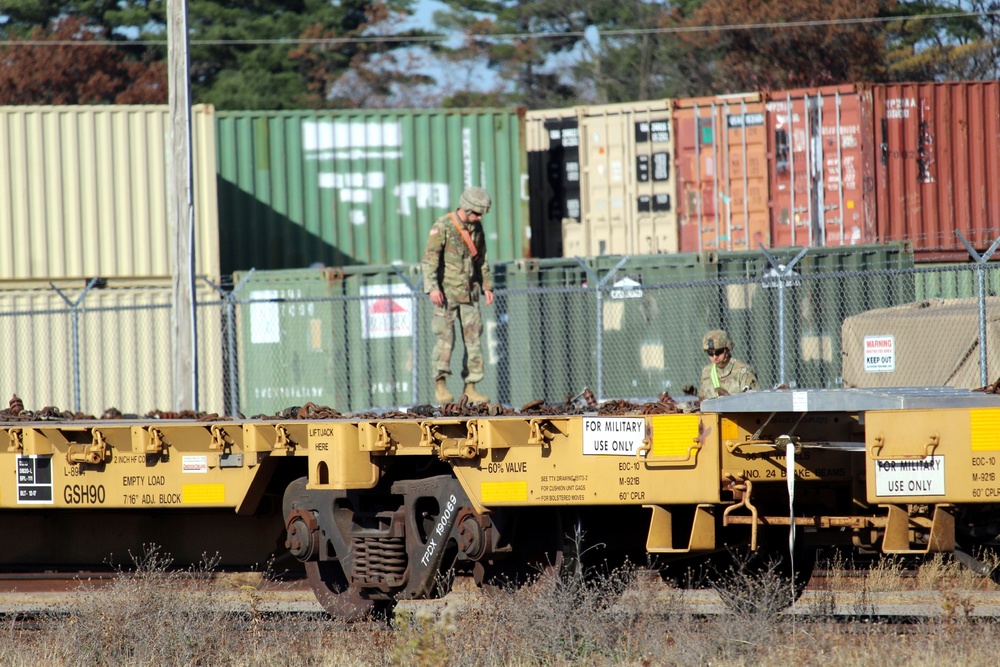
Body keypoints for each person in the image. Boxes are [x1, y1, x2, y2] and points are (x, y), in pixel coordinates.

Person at [422, 186, 495, 404]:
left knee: (474, 341)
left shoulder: (476, 228)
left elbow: (482, 259)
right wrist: (433, 287)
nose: (480, 217)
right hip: (446, 294)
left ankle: (470, 387)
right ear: (467, 208)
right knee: (446, 340)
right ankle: (440, 385)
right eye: (477, 212)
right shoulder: (443, 226)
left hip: (470, 294)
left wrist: (487, 286)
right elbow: (429, 260)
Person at [699, 329, 759, 399]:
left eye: (719, 352)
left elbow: (753, 401)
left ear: (727, 350)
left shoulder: (743, 372)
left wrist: (728, 400)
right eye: (710, 353)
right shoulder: (707, 372)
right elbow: (702, 400)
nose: (715, 357)